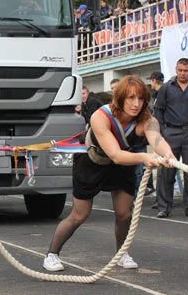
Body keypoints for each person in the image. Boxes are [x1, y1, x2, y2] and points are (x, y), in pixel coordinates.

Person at [42, 75, 175, 272]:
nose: (136, 104)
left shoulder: (147, 119)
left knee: (124, 214)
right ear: (120, 98)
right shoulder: (100, 116)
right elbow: (115, 154)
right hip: (92, 162)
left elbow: (156, 139)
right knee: (80, 215)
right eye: (130, 98)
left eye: (140, 99)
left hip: (122, 165)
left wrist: (168, 154)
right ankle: (52, 255)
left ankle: (122, 253)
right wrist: (145, 158)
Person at [153, 58, 188, 218]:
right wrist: (162, 132)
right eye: (180, 70)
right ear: (176, 70)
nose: (183, 73)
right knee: (167, 171)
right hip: (170, 133)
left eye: (186, 71)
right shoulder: (166, 88)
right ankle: (164, 207)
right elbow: (158, 110)